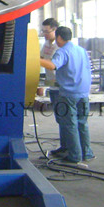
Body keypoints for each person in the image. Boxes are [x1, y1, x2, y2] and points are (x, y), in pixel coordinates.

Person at [40, 26, 94, 166]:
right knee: (82, 123)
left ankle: (75, 156)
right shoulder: (81, 50)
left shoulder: (62, 51)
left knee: (70, 124)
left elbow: (52, 66)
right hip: (83, 92)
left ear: (59, 37)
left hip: (69, 93)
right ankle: (87, 153)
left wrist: (33, 59)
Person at [40, 18, 64, 154]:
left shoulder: (59, 47)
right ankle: (64, 147)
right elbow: (41, 57)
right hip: (53, 86)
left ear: (55, 30)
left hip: (61, 87)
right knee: (60, 118)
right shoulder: (46, 43)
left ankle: (69, 149)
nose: (44, 34)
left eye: (47, 31)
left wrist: (34, 59)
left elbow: (51, 65)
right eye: (43, 31)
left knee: (65, 119)